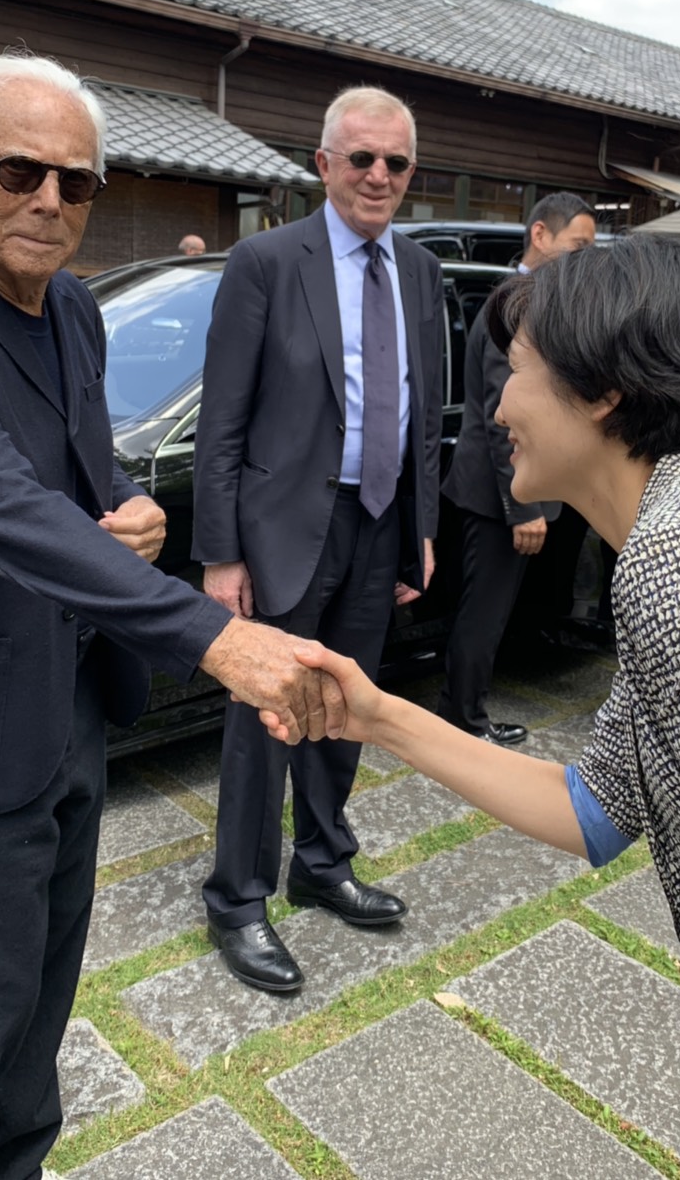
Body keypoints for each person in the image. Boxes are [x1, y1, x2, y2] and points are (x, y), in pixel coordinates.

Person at [295, 236, 680, 1180]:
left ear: (603, 393)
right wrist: (378, 714)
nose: (499, 405)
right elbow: (595, 809)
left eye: (515, 374)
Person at [0, 52, 344, 1180]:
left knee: (36, 1030)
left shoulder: (69, 306)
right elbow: (0, 506)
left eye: (77, 181)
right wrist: (215, 635)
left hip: (67, 709)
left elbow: (75, 469)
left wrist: (131, 508)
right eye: (19, 170)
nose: (49, 201)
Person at [192, 84, 443, 994]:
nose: (379, 176)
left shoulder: (418, 271)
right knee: (267, 715)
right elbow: (223, 417)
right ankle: (239, 898)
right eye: (362, 158)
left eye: (397, 162)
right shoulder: (266, 261)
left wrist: (421, 529)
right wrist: (220, 553)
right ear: (324, 163)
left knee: (349, 707)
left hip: (379, 525)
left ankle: (324, 863)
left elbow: (424, 419)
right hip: (281, 528)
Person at [439, 191, 595, 743]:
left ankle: (462, 710)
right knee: (483, 615)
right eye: (578, 245)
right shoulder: (516, 304)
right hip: (496, 493)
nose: (584, 256)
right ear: (540, 236)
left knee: (490, 612)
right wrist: (522, 506)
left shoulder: (533, 299)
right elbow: (503, 416)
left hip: (500, 491)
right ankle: (465, 722)